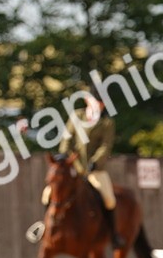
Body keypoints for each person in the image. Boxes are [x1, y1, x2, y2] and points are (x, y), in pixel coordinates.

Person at [39, 93, 122, 248]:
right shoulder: (77, 116)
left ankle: (114, 235)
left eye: (101, 103)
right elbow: (67, 138)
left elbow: (105, 146)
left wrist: (95, 162)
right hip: (74, 166)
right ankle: (45, 228)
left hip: (94, 170)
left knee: (109, 199)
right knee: (47, 194)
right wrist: (64, 154)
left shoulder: (107, 122)